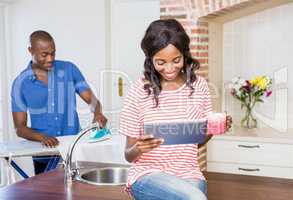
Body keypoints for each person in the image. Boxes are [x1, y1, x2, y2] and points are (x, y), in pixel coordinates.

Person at [120, 19, 232, 200]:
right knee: (196, 198)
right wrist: (139, 148)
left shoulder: (200, 86)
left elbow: (196, 141)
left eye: (176, 60)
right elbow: (128, 155)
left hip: (189, 174)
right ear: (150, 60)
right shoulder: (138, 90)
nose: (170, 68)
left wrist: (215, 127)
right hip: (148, 175)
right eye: (161, 62)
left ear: (184, 55)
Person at [11, 30, 107, 175]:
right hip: (44, 155)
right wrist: (42, 137)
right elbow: (20, 128)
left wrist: (97, 113)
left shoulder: (69, 69)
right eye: (44, 54)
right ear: (30, 50)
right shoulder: (20, 84)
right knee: (48, 195)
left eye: (53, 53)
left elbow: (91, 99)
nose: (50, 59)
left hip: (73, 151)